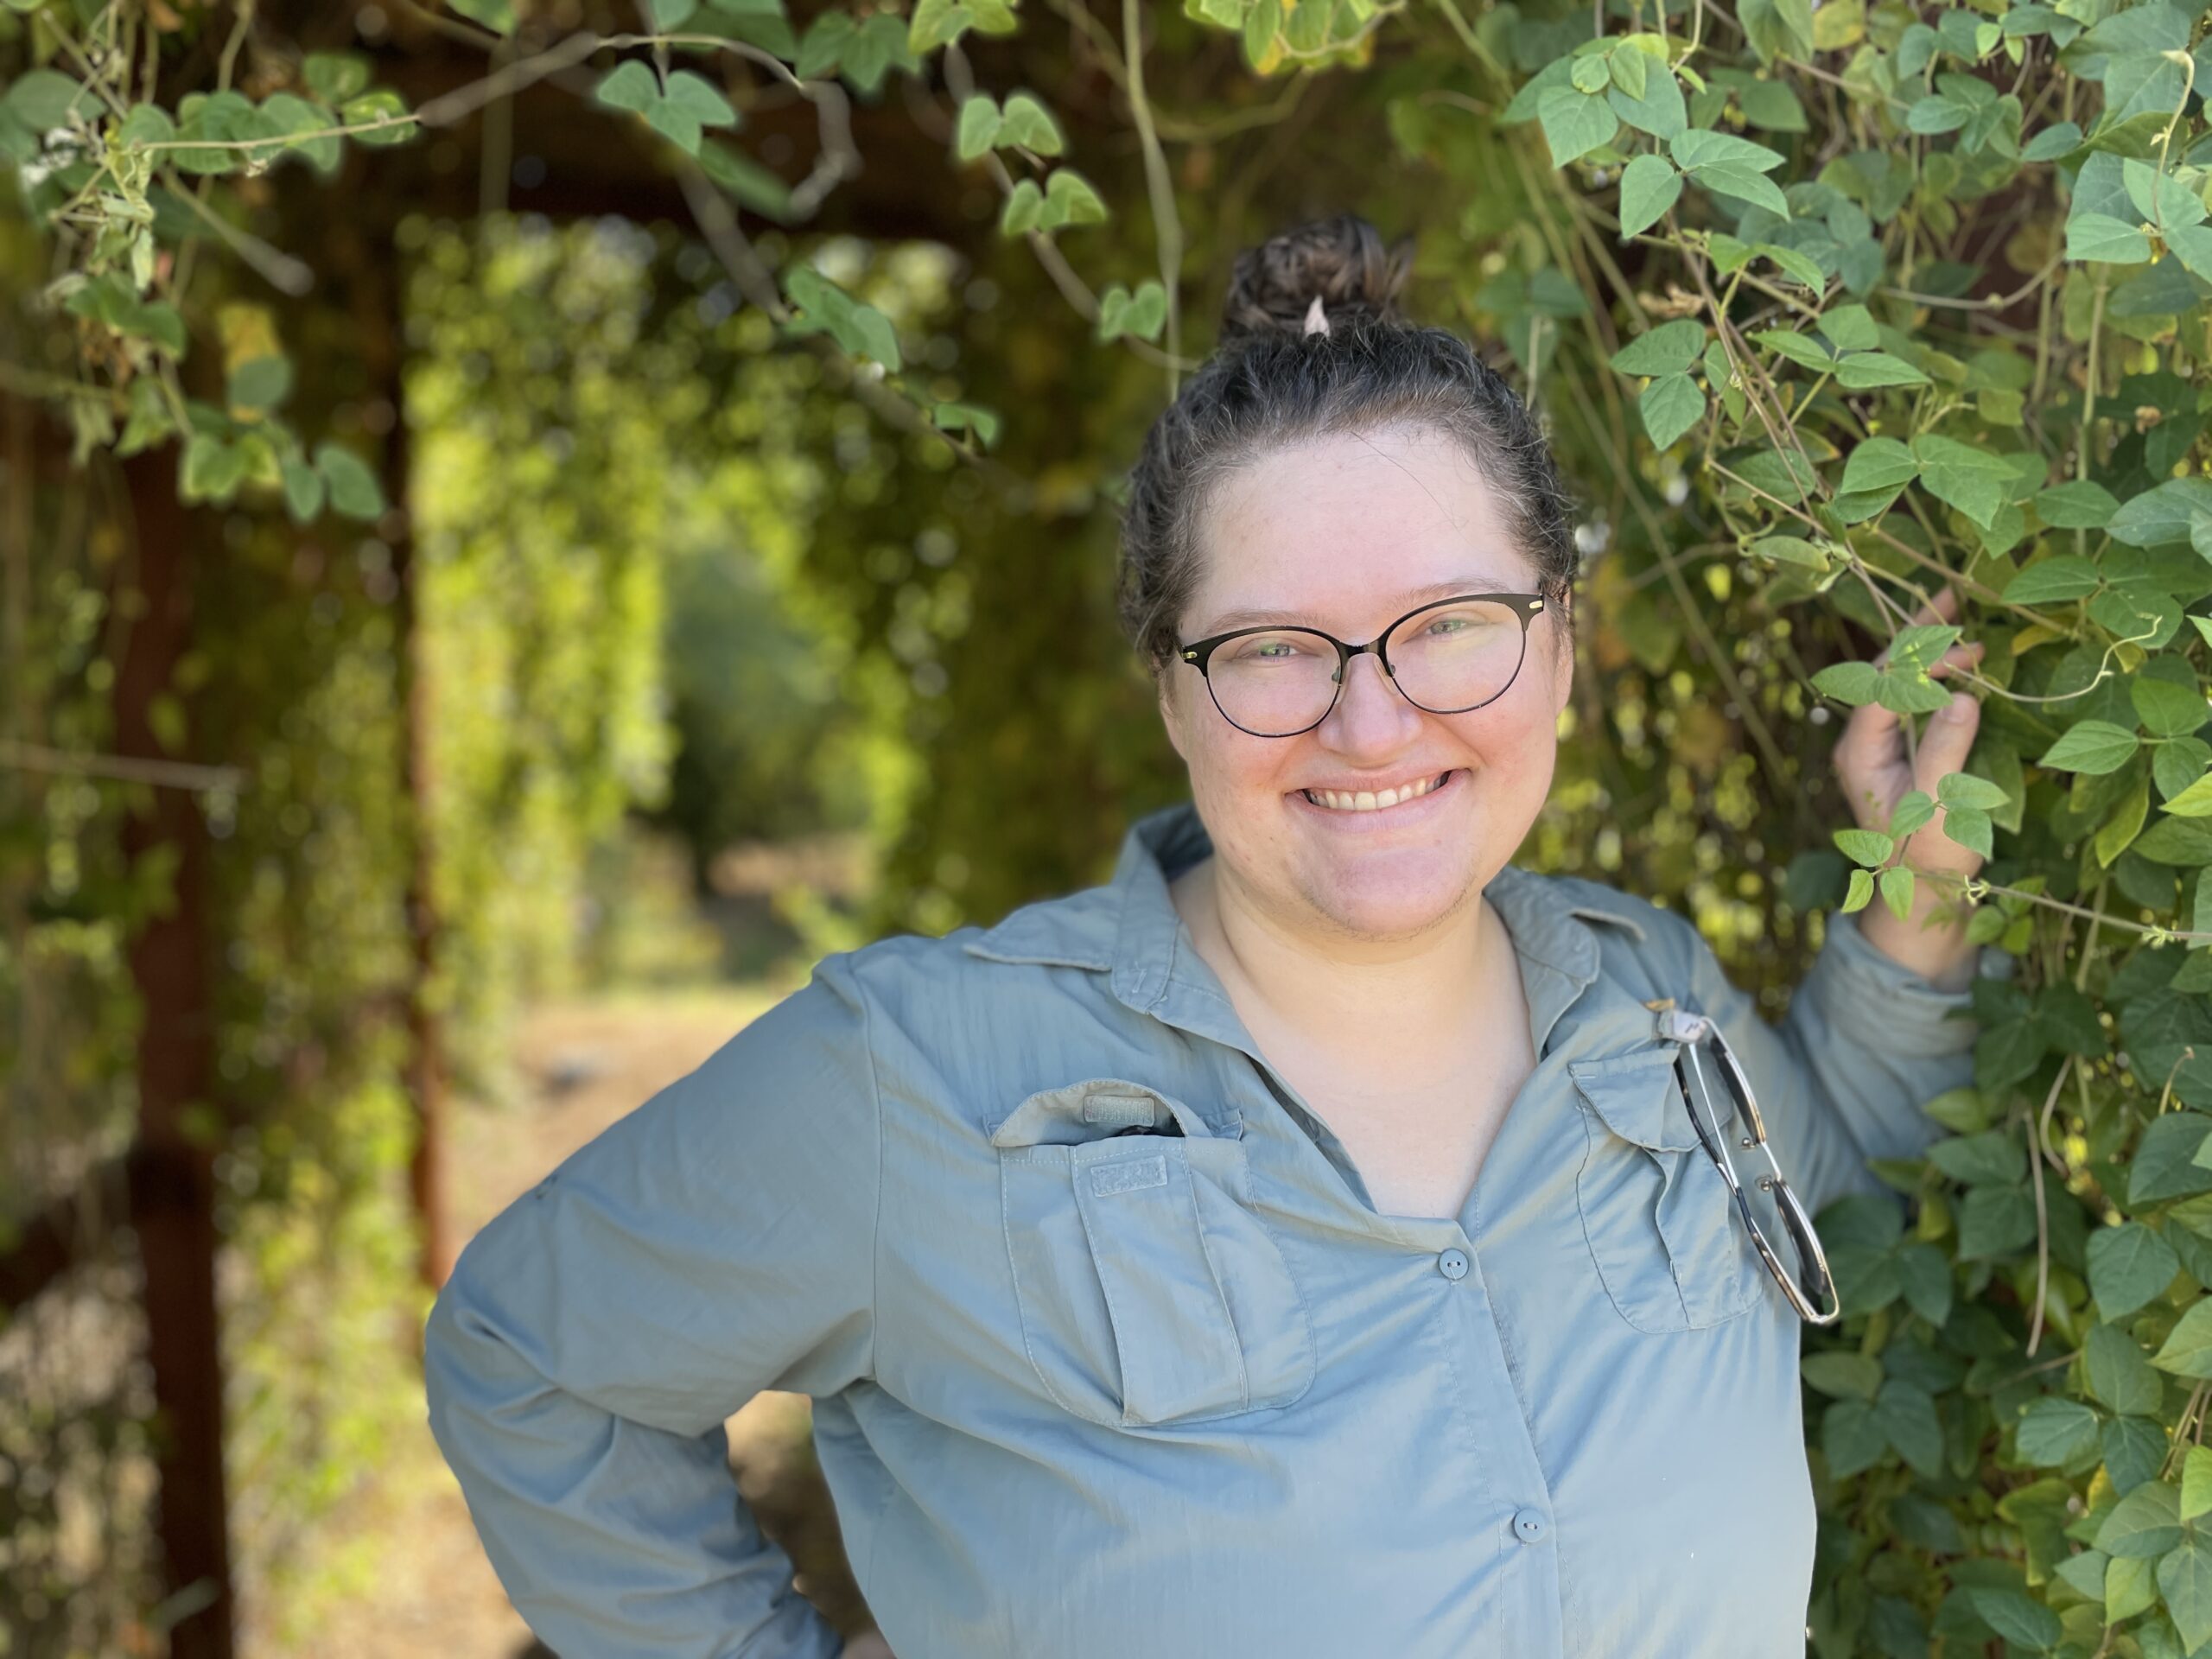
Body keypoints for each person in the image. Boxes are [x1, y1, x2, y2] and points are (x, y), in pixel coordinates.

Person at [423, 212, 2010, 1659]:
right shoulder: (924, 1075)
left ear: (1564, 647)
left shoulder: (1650, 1004)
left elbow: (1861, 1197)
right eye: (1270, 649)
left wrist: (1919, 884)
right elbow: (534, 1360)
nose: (1371, 723)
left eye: (1454, 625)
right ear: (1171, 690)